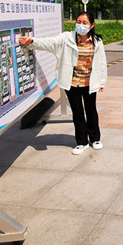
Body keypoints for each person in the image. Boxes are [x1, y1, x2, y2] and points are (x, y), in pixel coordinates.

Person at [18, 12, 107, 155]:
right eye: (79, 22)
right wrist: (32, 41)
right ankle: (82, 142)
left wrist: (102, 81)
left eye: (85, 23)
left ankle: (95, 139)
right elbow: (50, 42)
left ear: (91, 25)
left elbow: (102, 62)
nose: (81, 25)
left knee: (91, 111)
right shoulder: (66, 38)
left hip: (89, 82)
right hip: (72, 83)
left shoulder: (97, 41)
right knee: (77, 113)